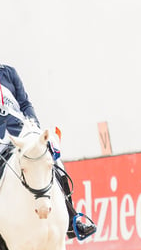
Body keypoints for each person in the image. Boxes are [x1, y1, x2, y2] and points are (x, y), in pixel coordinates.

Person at [0, 63, 97, 240]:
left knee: (53, 158)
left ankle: (71, 219)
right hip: (0, 140)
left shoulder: (8, 72)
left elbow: (25, 103)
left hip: (22, 132)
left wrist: (34, 126)